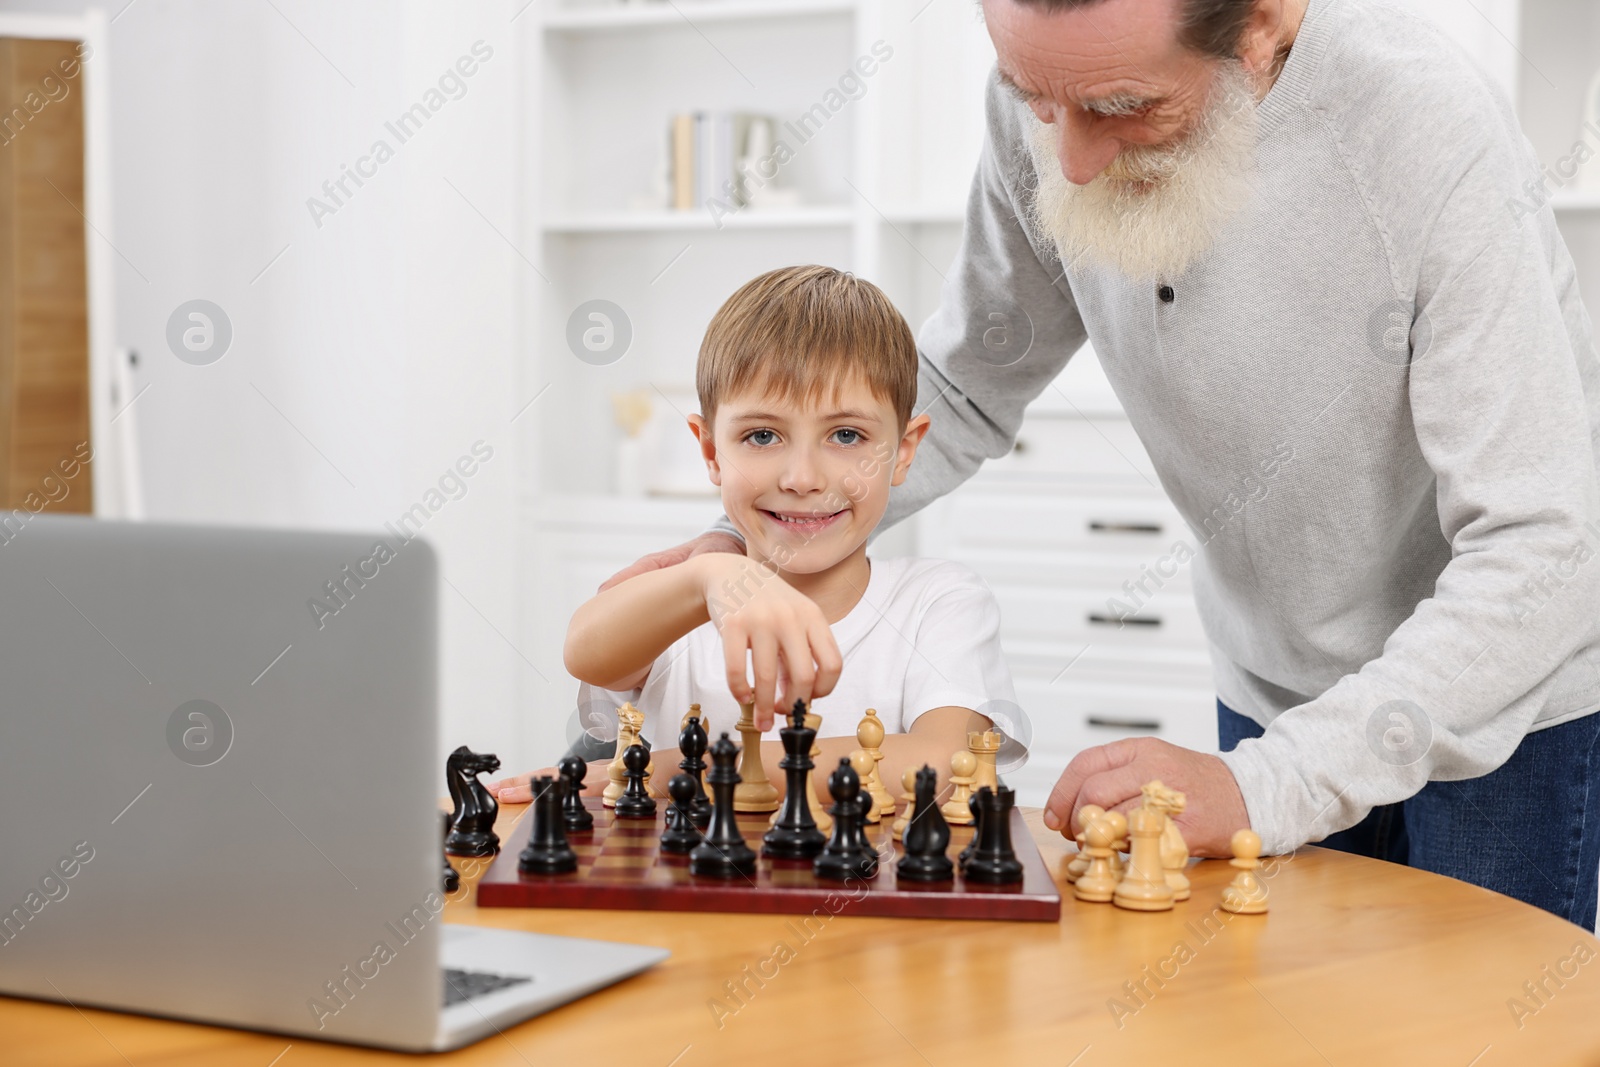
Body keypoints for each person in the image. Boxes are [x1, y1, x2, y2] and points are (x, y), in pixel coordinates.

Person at [596, 0, 1600, 928]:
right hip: (1269, 683)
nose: (1067, 160)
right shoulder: (1057, 113)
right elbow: (960, 388)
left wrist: (1265, 785)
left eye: (1122, 107)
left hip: (1496, 704)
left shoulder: (1426, 127)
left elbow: (1542, 546)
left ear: (1255, 27)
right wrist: (745, 547)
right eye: (1031, 100)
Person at [493, 265, 1023, 802]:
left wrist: (682, 767)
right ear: (710, 450)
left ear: (903, 451)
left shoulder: (940, 602)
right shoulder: (685, 602)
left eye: (846, 434)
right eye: (762, 435)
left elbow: (949, 762)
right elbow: (586, 651)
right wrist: (709, 577)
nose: (802, 479)